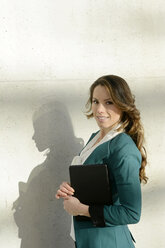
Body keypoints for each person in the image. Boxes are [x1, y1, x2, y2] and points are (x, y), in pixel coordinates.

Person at [56, 75, 148, 248]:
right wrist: (70, 188)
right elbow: (96, 185)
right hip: (88, 239)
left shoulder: (123, 148)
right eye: (95, 101)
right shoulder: (95, 137)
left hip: (107, 242)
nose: (99, 109)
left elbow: (131, 213)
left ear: (123, 104)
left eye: (109, 102)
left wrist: (81, 209)